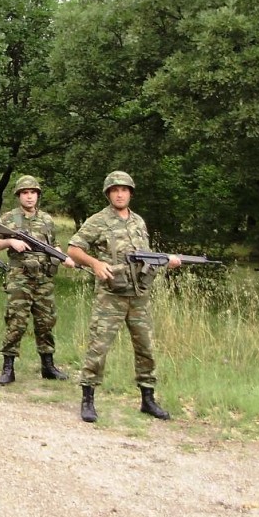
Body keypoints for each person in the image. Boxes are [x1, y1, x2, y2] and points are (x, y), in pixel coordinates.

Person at [66, 170, 180, 423]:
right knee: (99, 346)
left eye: (124, 189)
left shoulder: (138, 221)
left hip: (139, 295)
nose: (120, 194)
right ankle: (88, 399)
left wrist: (166, 262)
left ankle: (148, 399)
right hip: (111, 296)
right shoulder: (98, 221)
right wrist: (95, 263)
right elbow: (73, 249)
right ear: (108, 193)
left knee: (145, 347)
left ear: (130, 193)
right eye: (115, 190)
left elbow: (145, 256)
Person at [0, 175, 76, 386]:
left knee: (46, 321)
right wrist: (10, 241)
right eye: (25, 193)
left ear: (37, 195)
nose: (29, 197)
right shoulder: (9, 218)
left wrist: (62, 257)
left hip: (44, 278)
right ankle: (8, 367)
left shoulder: (46, 219)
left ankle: (48, 366)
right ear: (19, 195)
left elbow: (53, 245)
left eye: (33, 193)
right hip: (20, 278)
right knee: (16, 321)